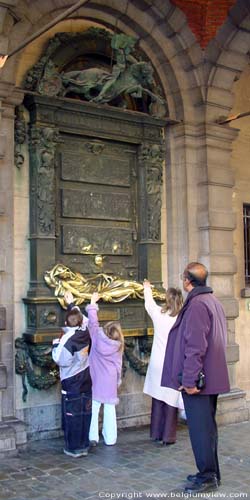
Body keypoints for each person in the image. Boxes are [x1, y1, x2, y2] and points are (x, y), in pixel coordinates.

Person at [161, 262, 230, 494]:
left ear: (187, 281)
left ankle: (208, 476)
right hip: (210, 378)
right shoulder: (212, 301)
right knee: (207, 429)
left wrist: (189, 381)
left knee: (201, 431)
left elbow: (196, 347)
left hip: (199, 382)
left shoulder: (198, 305)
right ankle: (211, 472)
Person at [143, 281, 184, 445]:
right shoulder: (182, 318)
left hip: (157, 362)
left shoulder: (159, 314)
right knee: (170, 400)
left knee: (158, 398)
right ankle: (168, 435)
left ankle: (156, 433)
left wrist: (147, 288)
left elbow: (149, 304)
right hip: (173, 363)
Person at [52, 294, 92, 458]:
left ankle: (73, 448)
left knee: (73, 416)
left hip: (72, 382)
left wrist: (55, 344)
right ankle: (84, 445)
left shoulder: (67, 339)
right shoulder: (86, 330)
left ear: (67, 323)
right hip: (86, 380)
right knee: (85, 414)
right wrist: (72, 305)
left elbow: (60, 360)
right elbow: (84, 319)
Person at [86, 292, 124, 446]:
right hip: (109, 379)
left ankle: (92, 436)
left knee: (94, 408)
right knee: (109, 410)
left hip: (94, 377)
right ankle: (110, 438)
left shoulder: (96, 336)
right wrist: (118, 380)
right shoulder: (118, 346)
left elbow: (93, 322)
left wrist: (93, 302)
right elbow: (118, 365)